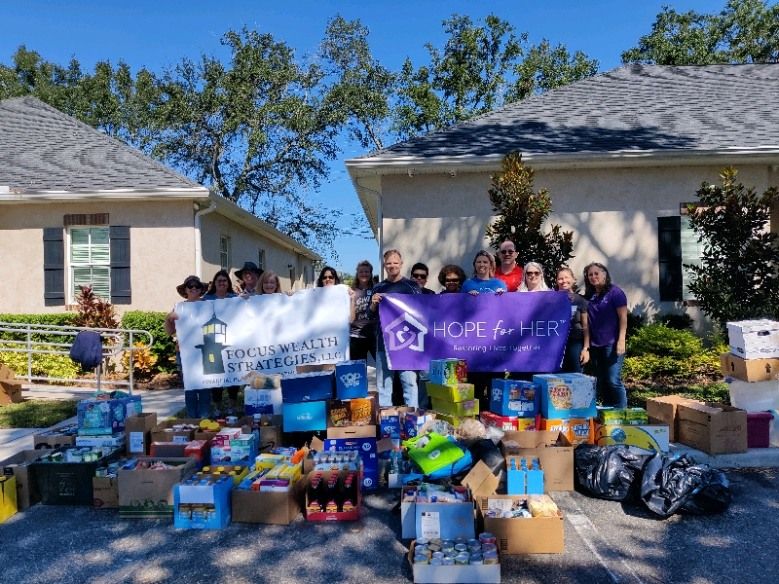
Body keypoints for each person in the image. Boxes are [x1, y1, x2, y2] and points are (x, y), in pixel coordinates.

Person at [370, 249, 422, 407]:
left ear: (401, 264)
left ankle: (414, 422)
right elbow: (371, 315)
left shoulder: (411, 286)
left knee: (410, 384)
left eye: (395, 263)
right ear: (384, 266)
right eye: (389, 263)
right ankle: (387, 421)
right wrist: (373, 303)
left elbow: (422, 311)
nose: (392, 266)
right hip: (383, 343)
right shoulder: (378, 287)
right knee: (384, 386)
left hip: (406, 345)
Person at [584, 262, 628, 408]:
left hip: (612, 344)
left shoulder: (615, 292)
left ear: (604, 274)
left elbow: (623, 318)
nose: (593, 277)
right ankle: (610, 413)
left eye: (596, 273)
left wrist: (621, 340)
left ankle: (622, 414)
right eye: (590, 274)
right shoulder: (590, 296)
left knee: (613, 380)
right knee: (602, 381)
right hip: (596, 346)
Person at [165, 275, 210, 418]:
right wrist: (169, 319)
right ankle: (192, 419)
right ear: (185, 289)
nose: (194, 288)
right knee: (190, 388)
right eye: (190, 286)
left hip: (204, 351)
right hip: (185, 352)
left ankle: (204, 419)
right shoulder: (179, 308)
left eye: (197, 286)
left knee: (204, 387)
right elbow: (170, 331)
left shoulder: (208, 305)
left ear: (201, 290)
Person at [201, 269, 239, 416]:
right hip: (212, 343)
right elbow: (195, 313)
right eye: (219, 281)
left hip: (232, 342)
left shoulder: (234, 298)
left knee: (232, 375)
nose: (222, 283)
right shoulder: (206, 299)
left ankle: (232, 405)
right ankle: (217, 406)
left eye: (224, 281)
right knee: (216, 376)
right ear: (214, 283)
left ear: (228, 283)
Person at [555, 267, 590, 373]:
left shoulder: (580, 300)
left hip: (575, 342)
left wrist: (585, 349)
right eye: (560, 278)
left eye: (566, 277)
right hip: (556, 344)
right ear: (556, 281)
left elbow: (586, 326)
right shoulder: (551, 299)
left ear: (573, 279)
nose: (564, 281)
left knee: (575, 376)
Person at [349, 260, 377, 361]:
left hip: (374, 335)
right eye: (361, 272)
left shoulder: (376, 289)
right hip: (356, 336)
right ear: (357, 274)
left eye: (367, 271)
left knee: (382, 368)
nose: (364, 274)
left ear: (370, 273)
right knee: (358, 372)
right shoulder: (351, 291)